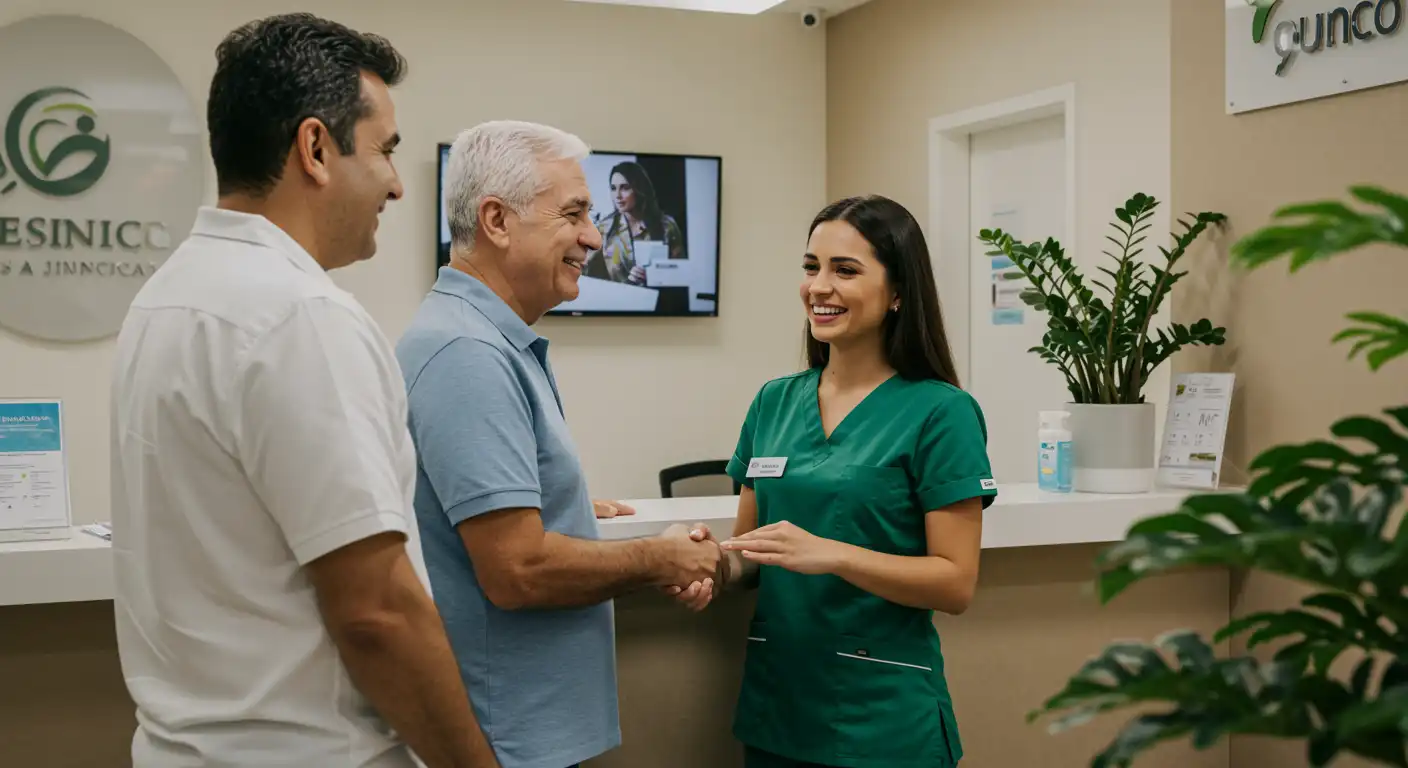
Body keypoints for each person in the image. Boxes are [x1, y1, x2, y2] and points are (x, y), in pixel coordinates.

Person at [109, 13, 497, 768]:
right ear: (315, 147)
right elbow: (376, 611)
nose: (394, 182)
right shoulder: (299, 316)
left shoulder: (168, 297)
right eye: (385, 149)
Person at [395, 120, 722, 768]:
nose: (594, 238)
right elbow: (516, 571)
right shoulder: (468, 353)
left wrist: (558, 503)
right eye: (573, 214)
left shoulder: (483, 339)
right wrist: (658, 559)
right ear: (496, 220)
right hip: (505, 741)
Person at [683, 195, 997, 767]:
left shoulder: (941, 412)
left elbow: (955, 584)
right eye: (811, 267)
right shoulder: (774, 402)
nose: (818, 287)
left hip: (882, 719)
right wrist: (709, 565)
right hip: (778, 708)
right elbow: (752, 553)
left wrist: (832, 554)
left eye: (845, 270)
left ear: (899, 291)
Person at [584, 160, 686, 285]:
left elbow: (681, 274)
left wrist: (654, 275)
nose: (617, 195)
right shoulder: (604, 228)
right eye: (613, 188)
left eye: (625, 188)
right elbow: (585, 272)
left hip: (660, 300)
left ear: (639, 189)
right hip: (618, 302)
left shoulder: (667, 226)